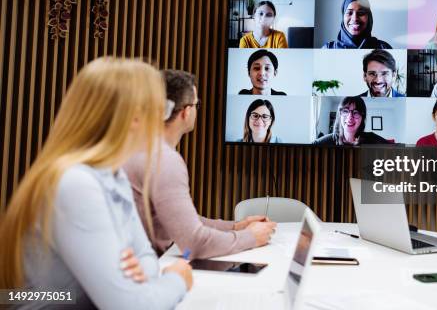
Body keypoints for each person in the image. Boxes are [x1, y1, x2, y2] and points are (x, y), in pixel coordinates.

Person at [0, 58, 192, 308]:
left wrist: (134, 275)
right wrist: (177, 279)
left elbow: (145, 258)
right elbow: (128, 306)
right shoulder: (76, 183)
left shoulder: (112, 173)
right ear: (134, 116)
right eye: (161, 110)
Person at [124, 70, 276, 260]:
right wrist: (251, 237)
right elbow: (194, 243)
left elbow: (183, 221)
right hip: (149, 274)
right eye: (197, 104)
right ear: (187, 112)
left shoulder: (140, 148)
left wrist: (235, 227)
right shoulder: (164, 159)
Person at [322, 0, 392, 49]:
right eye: (349, 13)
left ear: (369, 17)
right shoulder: (328, 49)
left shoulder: (383, 48)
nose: (355, 18)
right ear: (343, 17)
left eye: (361, 13)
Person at [313, 96, 388, 145]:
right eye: (345, 111)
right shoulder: (328, 141)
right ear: (340, 115)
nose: (350, 117)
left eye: (356, 112)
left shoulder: (371, 138)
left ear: (362, 117)